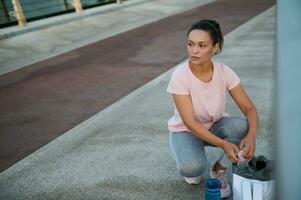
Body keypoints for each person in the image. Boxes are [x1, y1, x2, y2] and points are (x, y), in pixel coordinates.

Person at [167, 19, 258, 198]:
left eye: (202, 45)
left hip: (214, 124)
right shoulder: (179, 76)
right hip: (186, 130)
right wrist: (223, 144)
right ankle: (192, 158)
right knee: (192, 168)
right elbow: (191, 123)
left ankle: (218, 169)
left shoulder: (224, 72)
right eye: (190, 44)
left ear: (215, 48)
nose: (194, 50)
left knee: (244, 126)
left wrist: (252, 136)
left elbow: (249, 108)